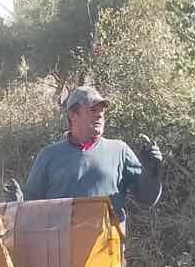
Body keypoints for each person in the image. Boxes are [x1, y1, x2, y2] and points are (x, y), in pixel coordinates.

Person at [20, 85, 162, 221]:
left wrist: (151, 172)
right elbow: (30, 207)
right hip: (63, 238)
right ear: (73, 115)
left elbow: (147, 199)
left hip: (106, 238)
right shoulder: (49, 156)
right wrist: (16, 202)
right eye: (93, 110)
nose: (99, 115)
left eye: (102, 111)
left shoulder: (119, 151)